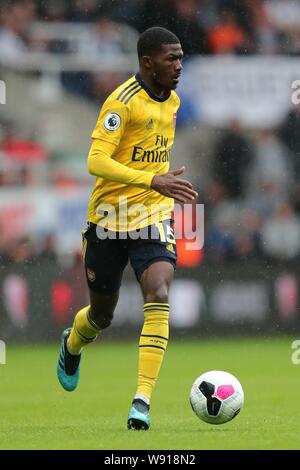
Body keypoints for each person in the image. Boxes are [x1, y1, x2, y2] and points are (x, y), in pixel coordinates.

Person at [57, 26, 197, 430]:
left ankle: (142, 400)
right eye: (171, 58)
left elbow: (149, 158)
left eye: (181, 57)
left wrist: (158, 182)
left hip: (152, 217)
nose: (179, 66)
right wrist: (152, 179)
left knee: (159, 291)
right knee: (102, 315)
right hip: (107, 222)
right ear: (147, 62)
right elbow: (96, 161)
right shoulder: (122, 102)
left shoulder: (173, 102)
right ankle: (72, 343)